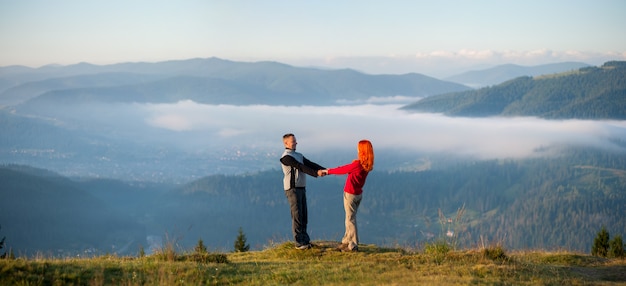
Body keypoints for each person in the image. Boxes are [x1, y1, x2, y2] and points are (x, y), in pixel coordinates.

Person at [319, 140, 374, 252]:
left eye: (359, 148)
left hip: (350, 194)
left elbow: (342, 170)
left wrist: (327, 171)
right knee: (350, 217)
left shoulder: (357, 165)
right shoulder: (366, 165)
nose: (357, 149)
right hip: (358, 194)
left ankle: (353, 245)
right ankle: (346, 239)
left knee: (350, 219)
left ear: (362, 151)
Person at [280, 133, 326, 250]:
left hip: (301, 187)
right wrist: (316, 173)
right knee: (297, 215)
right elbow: (300, 167)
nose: (296, 143)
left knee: (304, 215)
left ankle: (305, 241)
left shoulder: (298, 155)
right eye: (293, 141)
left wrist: (325, 170)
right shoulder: (286, 157)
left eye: (295, 140)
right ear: (286, 143)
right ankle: (299, 243)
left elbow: (309, 164)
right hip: (292, 188)